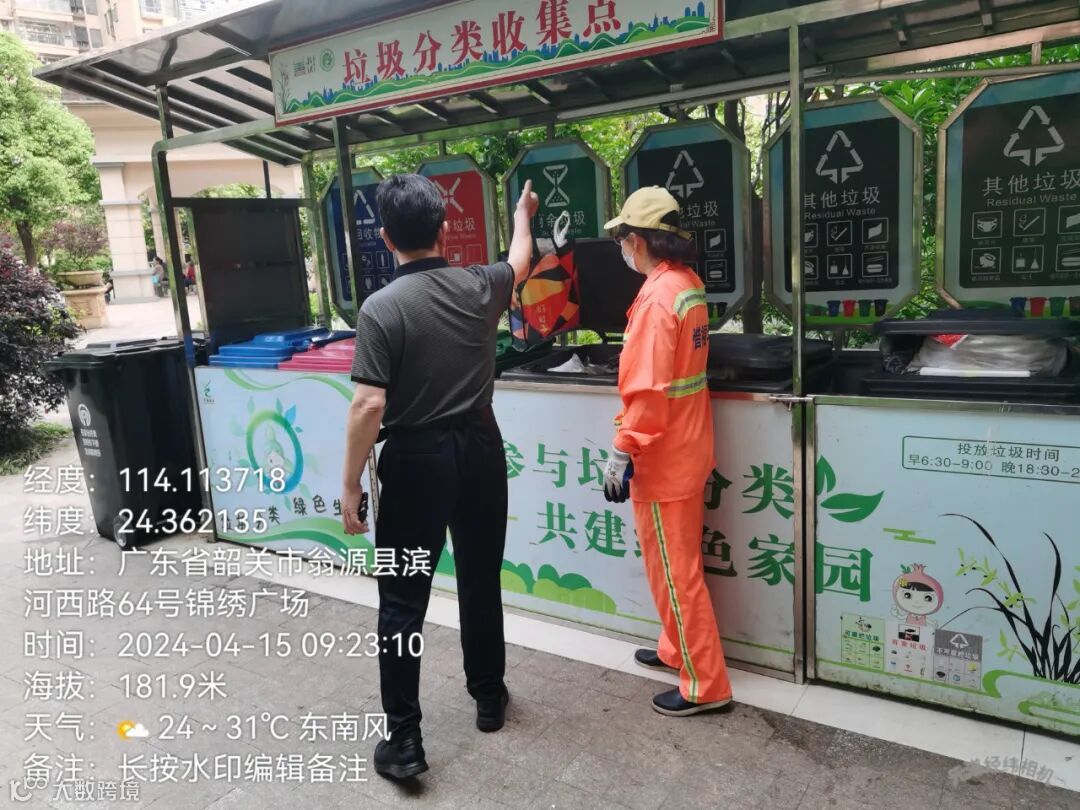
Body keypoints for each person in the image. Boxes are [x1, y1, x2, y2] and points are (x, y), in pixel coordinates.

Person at [341, 173, 538, 779]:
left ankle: (404, 740)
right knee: (479, 576)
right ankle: (488, 697)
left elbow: (368, 404)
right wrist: (523, 214)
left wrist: (350, 484)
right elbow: (520, 261)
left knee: (402, 600)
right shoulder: (480, 285)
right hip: (480, 448)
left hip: (415, 460)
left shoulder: (381, 308)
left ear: (385, 237)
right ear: (443, 230)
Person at [601, 186, 733, 717]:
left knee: (677, 573)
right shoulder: (686, 285)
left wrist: (622, 449)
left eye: (622, 238)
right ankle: (675, 650)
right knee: (674, 566)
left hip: (662, 457)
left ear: (637, 240)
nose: (621, 248)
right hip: (687, 447)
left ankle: (706, 685)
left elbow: (648, 391)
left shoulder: (658, 300)